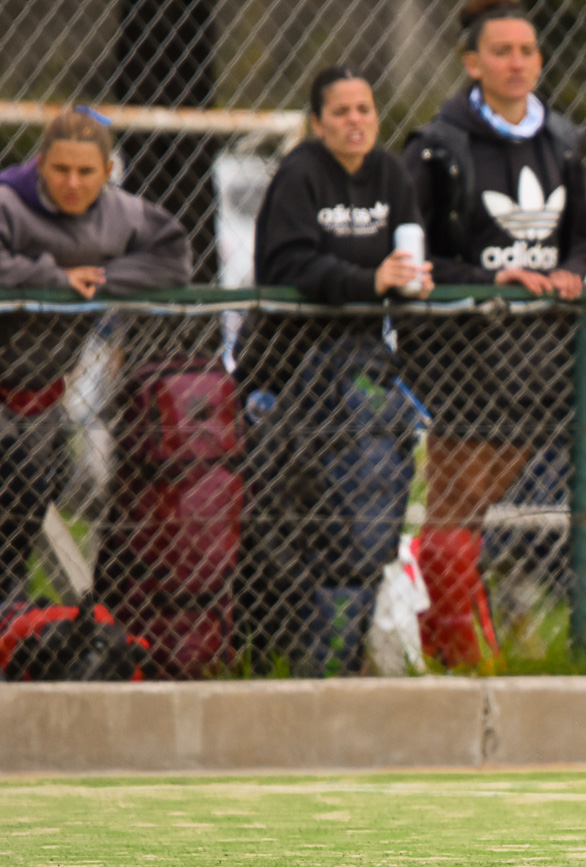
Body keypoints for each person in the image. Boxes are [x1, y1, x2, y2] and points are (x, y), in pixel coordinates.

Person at [402, 0, 586, 668]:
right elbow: (413, 250)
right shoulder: (437, 145)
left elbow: (582, 237)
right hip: (459, 353)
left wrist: (570, 271)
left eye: (527, 50)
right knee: (455, 503)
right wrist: (487, 279)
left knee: (481, 504)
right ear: (473, 63)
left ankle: (441, 628)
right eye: (502, 51)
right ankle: (453, 647)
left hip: (535, 355)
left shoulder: (562, 141)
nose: (517, 62)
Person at [238, 66, 431, 674]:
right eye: (341, 111)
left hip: (357, 377)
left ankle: (334, 656)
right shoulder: (300, 175)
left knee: (353, 524)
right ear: (317, 122)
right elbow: (289, 264)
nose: (355, 121)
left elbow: (406, 250)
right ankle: (271, 653)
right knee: (282, 528)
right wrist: (367, 281)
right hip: (286, 373)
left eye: (364, 109)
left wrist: (411, 279)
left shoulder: (390, 174)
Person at [0, 106, 192, 602]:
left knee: (28, 507)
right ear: (40, 164)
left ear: (107, 172)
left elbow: (175, 260)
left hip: (42, 392)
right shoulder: (8, 201)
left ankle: (9, 610)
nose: (72, 182)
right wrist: (55, 279)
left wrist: (100, 279)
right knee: (14, 484)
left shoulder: (121, 214)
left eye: (86, 172)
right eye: (60, 169)